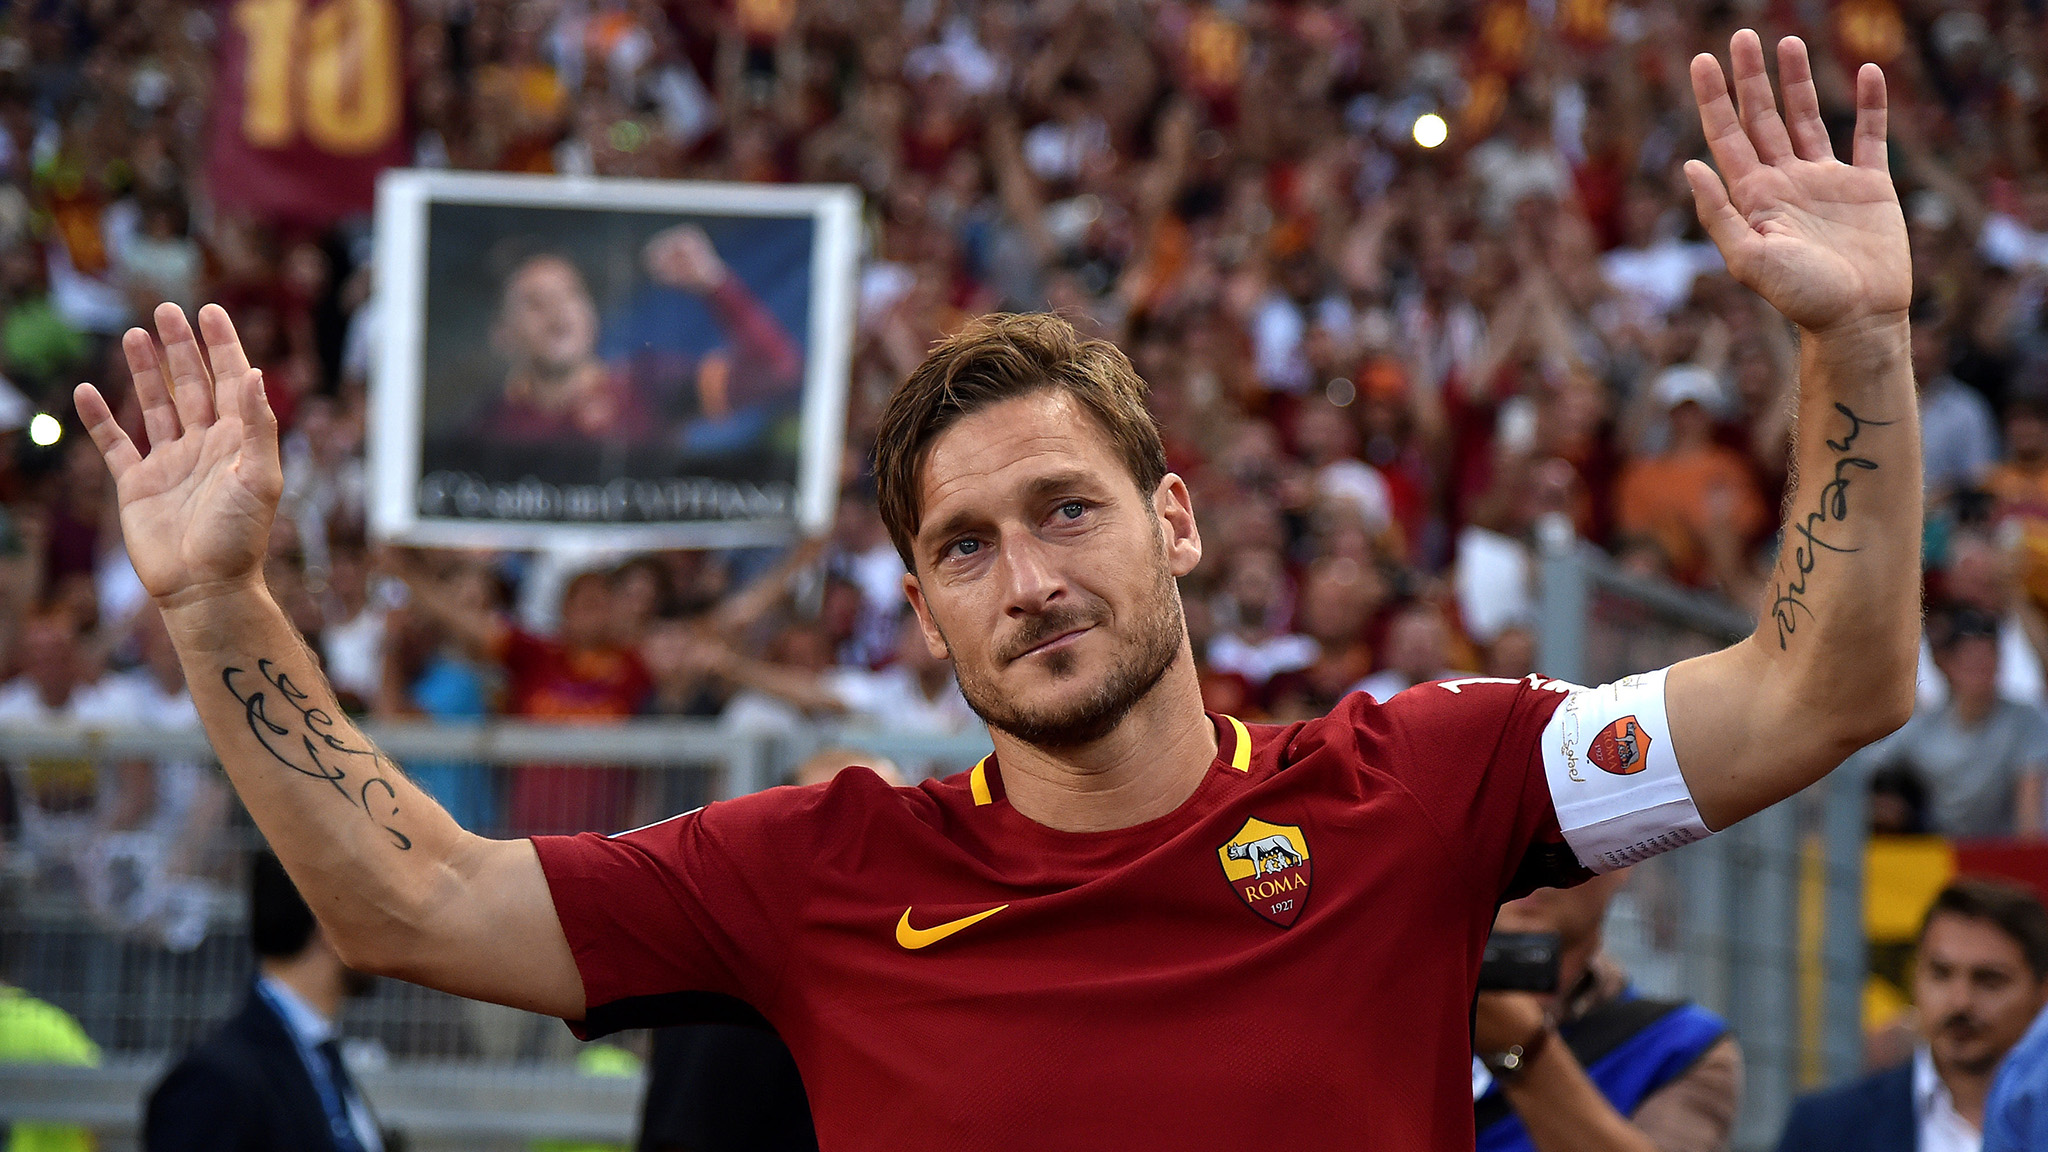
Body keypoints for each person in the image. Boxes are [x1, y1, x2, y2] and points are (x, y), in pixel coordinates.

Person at [77, 33, 1922, 1149]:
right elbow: (417, 901)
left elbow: (1815, 690)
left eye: (1063, 510)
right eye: (963, 547)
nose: (1025, 578)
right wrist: (221, 601)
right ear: (917, 609)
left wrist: (1855, 349)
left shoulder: (1427, 783)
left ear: (1175, 520)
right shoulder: (816, 871)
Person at [634, 750, 904, 1152]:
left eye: (894, 817)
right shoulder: (740, 969)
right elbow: (684, 1136)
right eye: (844, 815)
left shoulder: (886, 960)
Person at [1474, 872, 1741, 1152]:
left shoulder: (1680, 1046)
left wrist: (1527, 1049)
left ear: (1622, 862)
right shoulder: (1427, 1002)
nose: (1528, 866)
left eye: (1560, 844)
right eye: (1508, 839)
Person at [1777, 878, 2048, 1152]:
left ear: (2043, 992)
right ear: (1915, 976)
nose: (1960, 1002)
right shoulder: (1826, 1127)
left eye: (1989, 980)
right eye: (1940, 974)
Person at [144, 851, 386, 1152]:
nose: (383, 937)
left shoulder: (319, 1060)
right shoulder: (215, 1081)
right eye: (366, 916)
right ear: (330, 927)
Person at [1867, 608, 2048, 838]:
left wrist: (2026, 861)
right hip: (1937, 852)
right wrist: (1876, 806)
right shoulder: (1923, 729)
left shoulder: (2026, 721)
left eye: (1987, 660)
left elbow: (2029, 818)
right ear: (1947, 665)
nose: (1981, 670)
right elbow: (1864, 769)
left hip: (2003, 851)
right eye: (1970, 662)